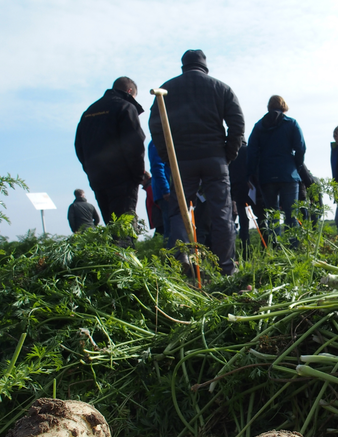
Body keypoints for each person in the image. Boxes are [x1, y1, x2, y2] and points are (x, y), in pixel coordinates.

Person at [148, 49, 245, 276]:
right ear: (205, 65)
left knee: (180, 210)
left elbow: (156, 127)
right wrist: (227, 155)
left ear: (183, 66)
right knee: (221, 211)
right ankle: (226, 268)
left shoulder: (167, 90)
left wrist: (167, 157)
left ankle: (182, 255)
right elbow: (237, 125)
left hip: (181, 159)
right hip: (214, 157)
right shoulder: (221, 88)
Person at [74, 77, 146, 242]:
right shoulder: (125, 107)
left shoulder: (88, 112)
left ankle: (114, 262)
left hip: (98, 180)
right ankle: (127, 263)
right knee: (124, 229)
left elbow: (79, 146)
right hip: (122, 180)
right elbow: (134, 145)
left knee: (111, 228)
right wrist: (137, 176)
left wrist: (90, 171)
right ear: (129, 92)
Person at [247, 95, 305, 244]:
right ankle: (294, 250)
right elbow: (300, 148)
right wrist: (296, 166)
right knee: (291, 215)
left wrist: (252, 174)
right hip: (288, 174)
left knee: (272, 215)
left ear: (269, 107)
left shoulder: (259, 126)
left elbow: (252, 152)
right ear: (284, 106)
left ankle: (275, 249)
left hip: (267, 176)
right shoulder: (291, 124)